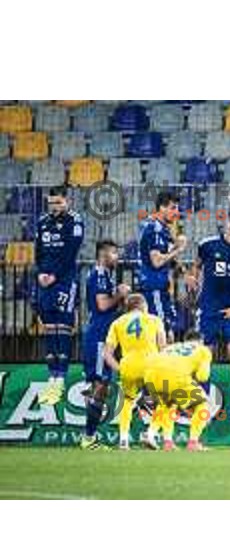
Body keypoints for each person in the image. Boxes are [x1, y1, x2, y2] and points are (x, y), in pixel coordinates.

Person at [187, 207, 230, 416]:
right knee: (204, 354)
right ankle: (203, 403)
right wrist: (192, 279)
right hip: (209, 308)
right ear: (228, 223)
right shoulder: (207, 245)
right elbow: (196, 267)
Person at [35, 187, 84, 405]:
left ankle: (61, 379)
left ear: (67, 201)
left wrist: (54, 274)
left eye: (58, 203)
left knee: (62, 326)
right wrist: (41, 273)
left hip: (64, 279)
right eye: (52, 203)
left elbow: (70, 252)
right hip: (45, 279)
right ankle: (51, 376)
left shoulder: (75, 220)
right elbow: (38, 250)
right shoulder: (42, 221)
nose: (55, 207)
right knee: (48, 326)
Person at [80, 240, 130, 449]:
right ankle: (88, 437)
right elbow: (102, 306)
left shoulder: (105, 276)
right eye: (114, 253)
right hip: (99, 337)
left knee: (101, 387)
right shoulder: (99, 275)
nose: (117, 258)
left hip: (103, 336)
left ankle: (90, 434)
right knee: (101, 386)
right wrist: (120, 294)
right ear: (103, 254)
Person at [103, 294, 167, 450]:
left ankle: (123, 440)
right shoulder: (154, 319)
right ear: (143, 305)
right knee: (165, 402)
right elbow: (163, 347)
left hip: (128, 366)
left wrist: (119, 368)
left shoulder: (117, 323)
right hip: (151, 365)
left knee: (127, 402)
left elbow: (106, 354)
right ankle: (150, 434)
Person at [143, 336, 213, 451]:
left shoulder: (172, 347)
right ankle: (193, 442)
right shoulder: (203, 350)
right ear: (201, 341)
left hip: (150, 375)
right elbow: (203, 377)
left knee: (166, 406)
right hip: (175, 376)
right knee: (202, 404)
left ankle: (159, 438)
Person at [138, 191, 187, 342]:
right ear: (161, 208)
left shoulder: (162, 228)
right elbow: (157, 261)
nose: (176, 212)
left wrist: (185, 274)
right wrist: (179, 248)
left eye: (177, 208)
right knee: (160, 333)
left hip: (161, 289)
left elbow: (167, 258)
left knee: (168, 332)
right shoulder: (154, 228)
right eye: (173, 208)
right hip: (154, 289)